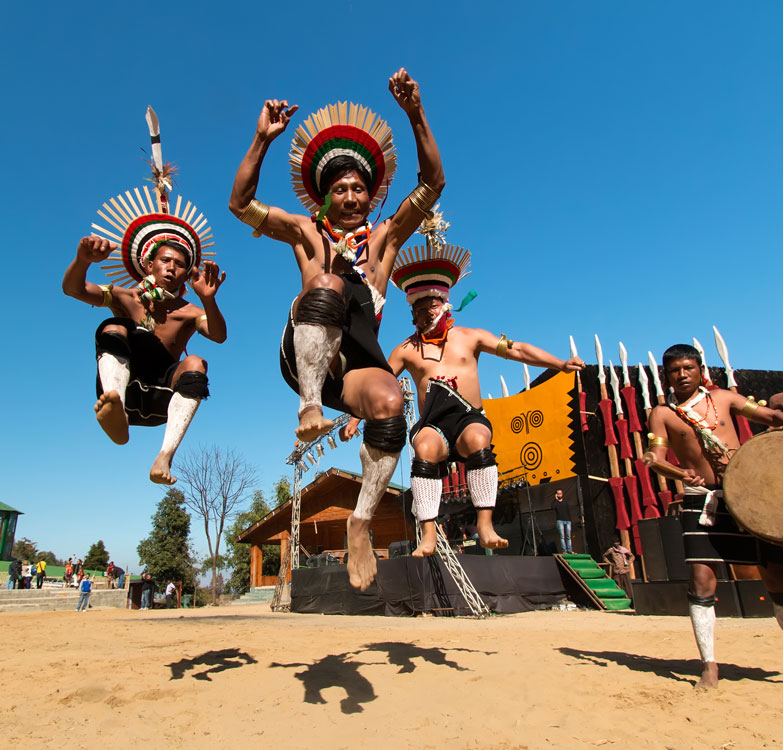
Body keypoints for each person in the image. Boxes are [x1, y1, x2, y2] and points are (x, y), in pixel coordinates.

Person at [228, 69, 445, 591]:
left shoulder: (385, 243)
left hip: (355, 366)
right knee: (326, 283)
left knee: (392, 400)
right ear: (324, 197)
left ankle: (362, 519)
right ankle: (308, 407)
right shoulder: (306, 233)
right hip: (306, 353)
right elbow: (239, 205)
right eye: (340, 188)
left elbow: (433, 183)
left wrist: (415, 114)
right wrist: (261, 139)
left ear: (371, 197)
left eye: (359, 189)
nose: (350, 196)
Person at [347, 236, 583, 556]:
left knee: (476, 439)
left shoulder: (469, 337)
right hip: (434, 422)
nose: (424, 312)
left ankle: (485, 525)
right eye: (417, 307)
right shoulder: (405, 350)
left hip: (469, 416)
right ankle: (428, 534)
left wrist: (558, 362)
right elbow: (378, 384)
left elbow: (517, 350)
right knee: (423, 446)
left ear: (444, 303)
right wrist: (356, 415)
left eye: (430, 304)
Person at [646, 343, 783, 692]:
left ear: (699, 369)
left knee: (777, 577)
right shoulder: (662, 414)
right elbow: (654, 458)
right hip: (701, 502)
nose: (682, 374)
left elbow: (772, 418)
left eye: (688, 367)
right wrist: (678, 473)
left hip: (748, 497)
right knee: (702, 582)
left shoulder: (726, 399)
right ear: (667, 375)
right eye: (675, 370)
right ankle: (709, 666)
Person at [62, 108, 227, 485]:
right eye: (165, 260)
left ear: (187, 273)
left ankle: (164, 458)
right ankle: (115, 408)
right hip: (122, 389)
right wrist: (82, 260)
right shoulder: (125, 297)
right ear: (149, 264)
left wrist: (210, 300)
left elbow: (218, 335)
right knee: (115, 326)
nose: (171, 268)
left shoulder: (187, 312)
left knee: (198, 361)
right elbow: (73, 289)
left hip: (159, 401)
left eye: (180, 264)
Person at [553, 489, 574, 555]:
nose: (560, 495)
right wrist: (556, 499)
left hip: (567, 521)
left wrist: (570, 520)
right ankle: (564, 551)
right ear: (556, 494)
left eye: (560, 493)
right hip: (560, 521)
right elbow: (552, 507)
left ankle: (570, 550)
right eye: (558, 493)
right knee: (562, 536)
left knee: (568, 536)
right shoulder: (555, 502)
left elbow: (568, 511)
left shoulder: (565, 502)